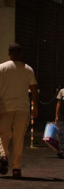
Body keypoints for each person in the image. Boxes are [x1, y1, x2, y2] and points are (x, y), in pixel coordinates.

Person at [0, 43, 38, 178]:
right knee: (18, 138)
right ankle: (16, 168)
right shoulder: (28, 69)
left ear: (9, 54)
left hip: (5, 107)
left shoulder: (1, 68)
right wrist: (36, 107)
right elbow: (33, 89)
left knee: (3, 135)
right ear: (21, 54)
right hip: (23, 108)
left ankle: (3, 156)